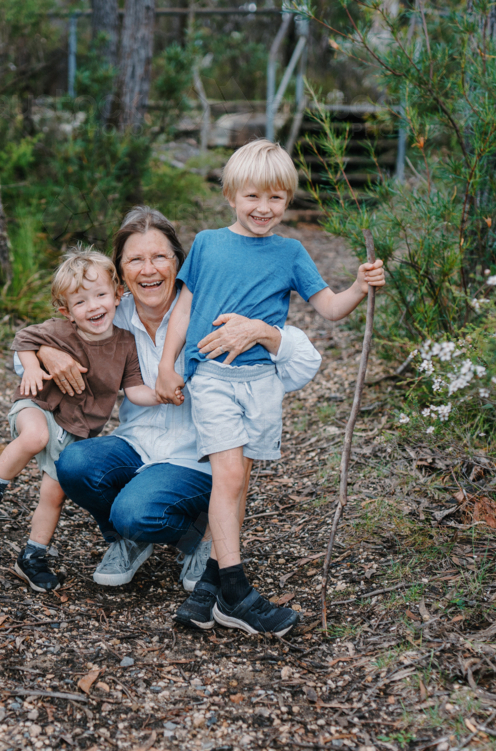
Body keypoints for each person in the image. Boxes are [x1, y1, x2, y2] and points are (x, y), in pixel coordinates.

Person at [27, 206, 320, 601]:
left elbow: (305, 363)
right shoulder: (111, 314)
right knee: (74, 465)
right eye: (135, 260)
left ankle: (204, 536)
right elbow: (39, 340)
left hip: (196, 459)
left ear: (180, 263)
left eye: (160, 257)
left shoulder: (209, 309)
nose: (149, 270)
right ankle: (128, 540)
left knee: (137, 511)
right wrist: (46, 352)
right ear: (120, 272)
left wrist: (265, 333)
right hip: (136, 442)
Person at [154, 139, 386, 635]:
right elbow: (185, 309)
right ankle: (237, 592)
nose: (264, 209)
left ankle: (209, 588)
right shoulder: (209, 244)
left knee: (239, 482)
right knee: (230, 477)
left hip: (261, 382)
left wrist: (360, 287)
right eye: (253, 197)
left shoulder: (291, 252)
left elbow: (329, 308)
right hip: (213, 375)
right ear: (231, 195)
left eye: (276, 199)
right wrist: (167, 365)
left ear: (288, 200)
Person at [0, 248, 158, 593]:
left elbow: (135, 389)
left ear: (118, 295)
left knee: (54, 493)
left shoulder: (125, 343)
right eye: (80, 302)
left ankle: (32, 557)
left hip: (76, 430)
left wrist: (163, 395)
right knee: (35, 436)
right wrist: (35, 367)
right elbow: (23, 339)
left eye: (100, 295)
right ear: (66, 310)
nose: (93, 306)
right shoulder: (58, 330)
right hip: (38, 405)